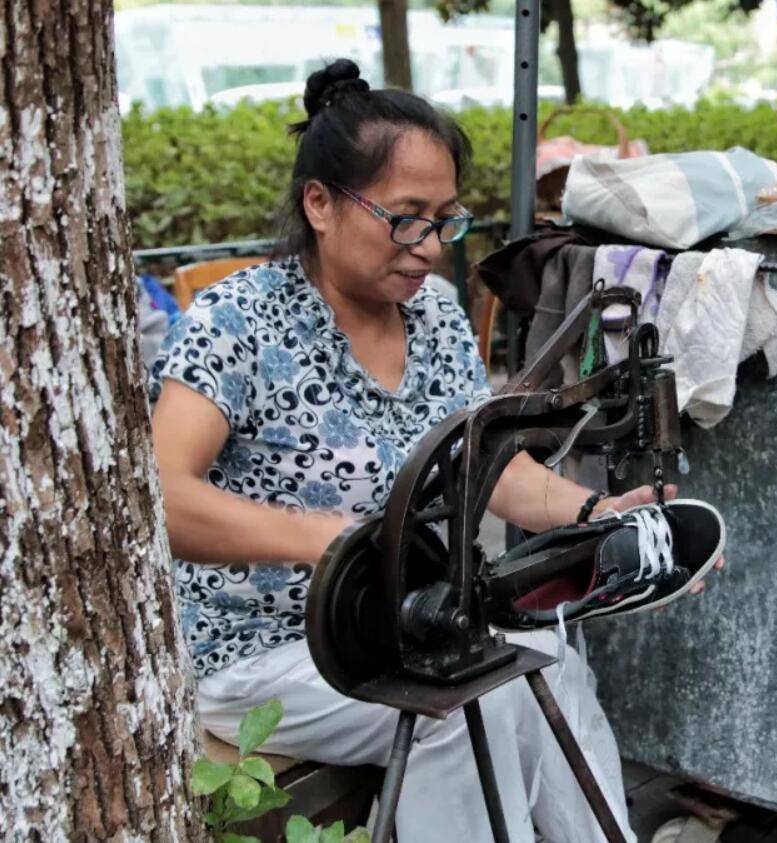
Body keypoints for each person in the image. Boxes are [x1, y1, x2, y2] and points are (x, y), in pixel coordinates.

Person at [149, 60, 722, 842]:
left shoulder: (436, 316)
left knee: (552, 664)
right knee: (469, 704)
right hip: (259, 647)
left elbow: (486, 469)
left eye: (444, 220)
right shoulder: (238, 320)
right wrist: (334, 544)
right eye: (406, 217)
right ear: (320, 203)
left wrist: (599, 513)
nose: (428, 247)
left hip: (404, 623)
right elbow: (160, 498)